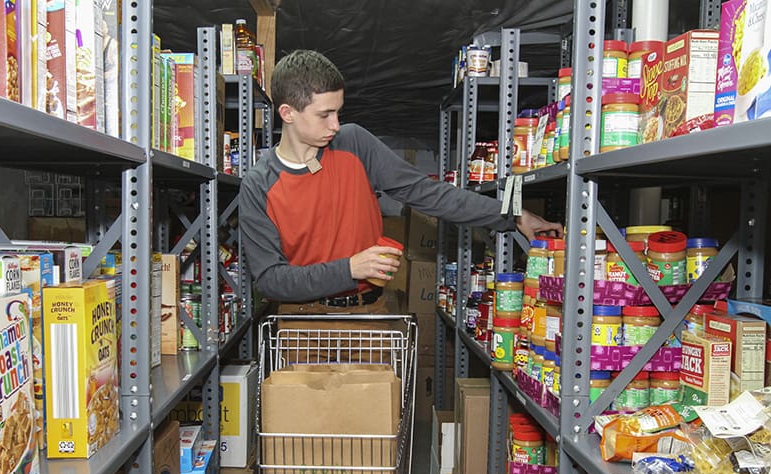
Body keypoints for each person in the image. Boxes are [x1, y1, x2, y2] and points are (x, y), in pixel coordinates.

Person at [239, 49, 562, 311]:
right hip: (301, 323)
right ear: (288, 113)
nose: (336, 124)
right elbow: (269, 280)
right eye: (325, 115)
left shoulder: (354, 143)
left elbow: (429, 193)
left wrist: (513, 214)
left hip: (369, 315)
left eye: (338, 111)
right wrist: (349, 269)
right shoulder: (259, 184)